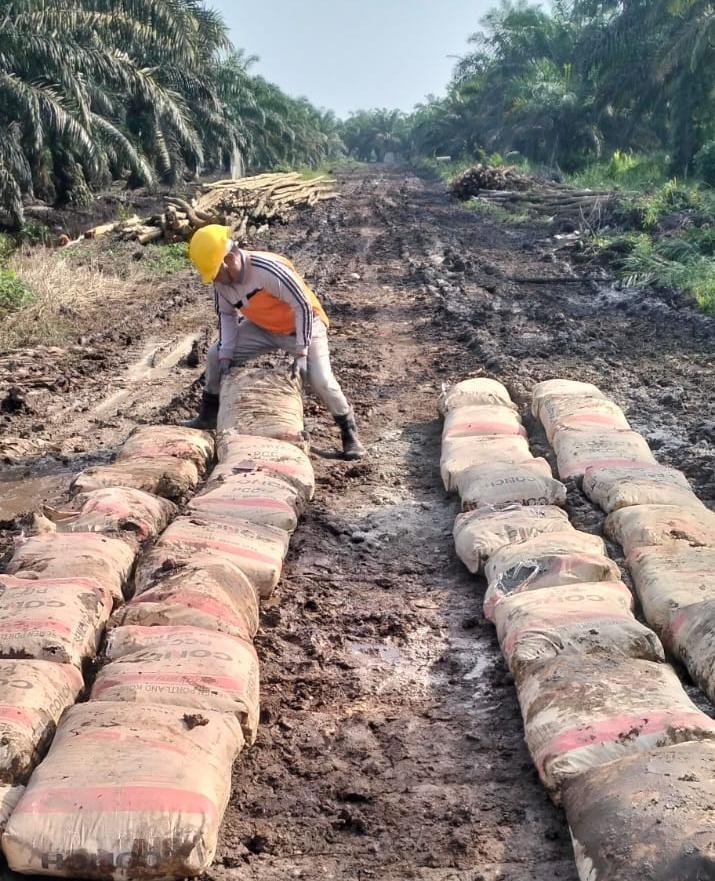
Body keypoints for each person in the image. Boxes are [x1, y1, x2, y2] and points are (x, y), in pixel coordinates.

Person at [185, 224, 366, 459]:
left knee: (321, 380)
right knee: (214, 354)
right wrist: (226, 354)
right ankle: (209, 413)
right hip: (262, 327)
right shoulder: (222, 283)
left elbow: (302, 306)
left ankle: (348, 433)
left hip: (303, 326)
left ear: (229, 259)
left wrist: (301, 353)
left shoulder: (267, 270)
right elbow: (227, 316)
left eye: (216, 273)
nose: (215, 281)